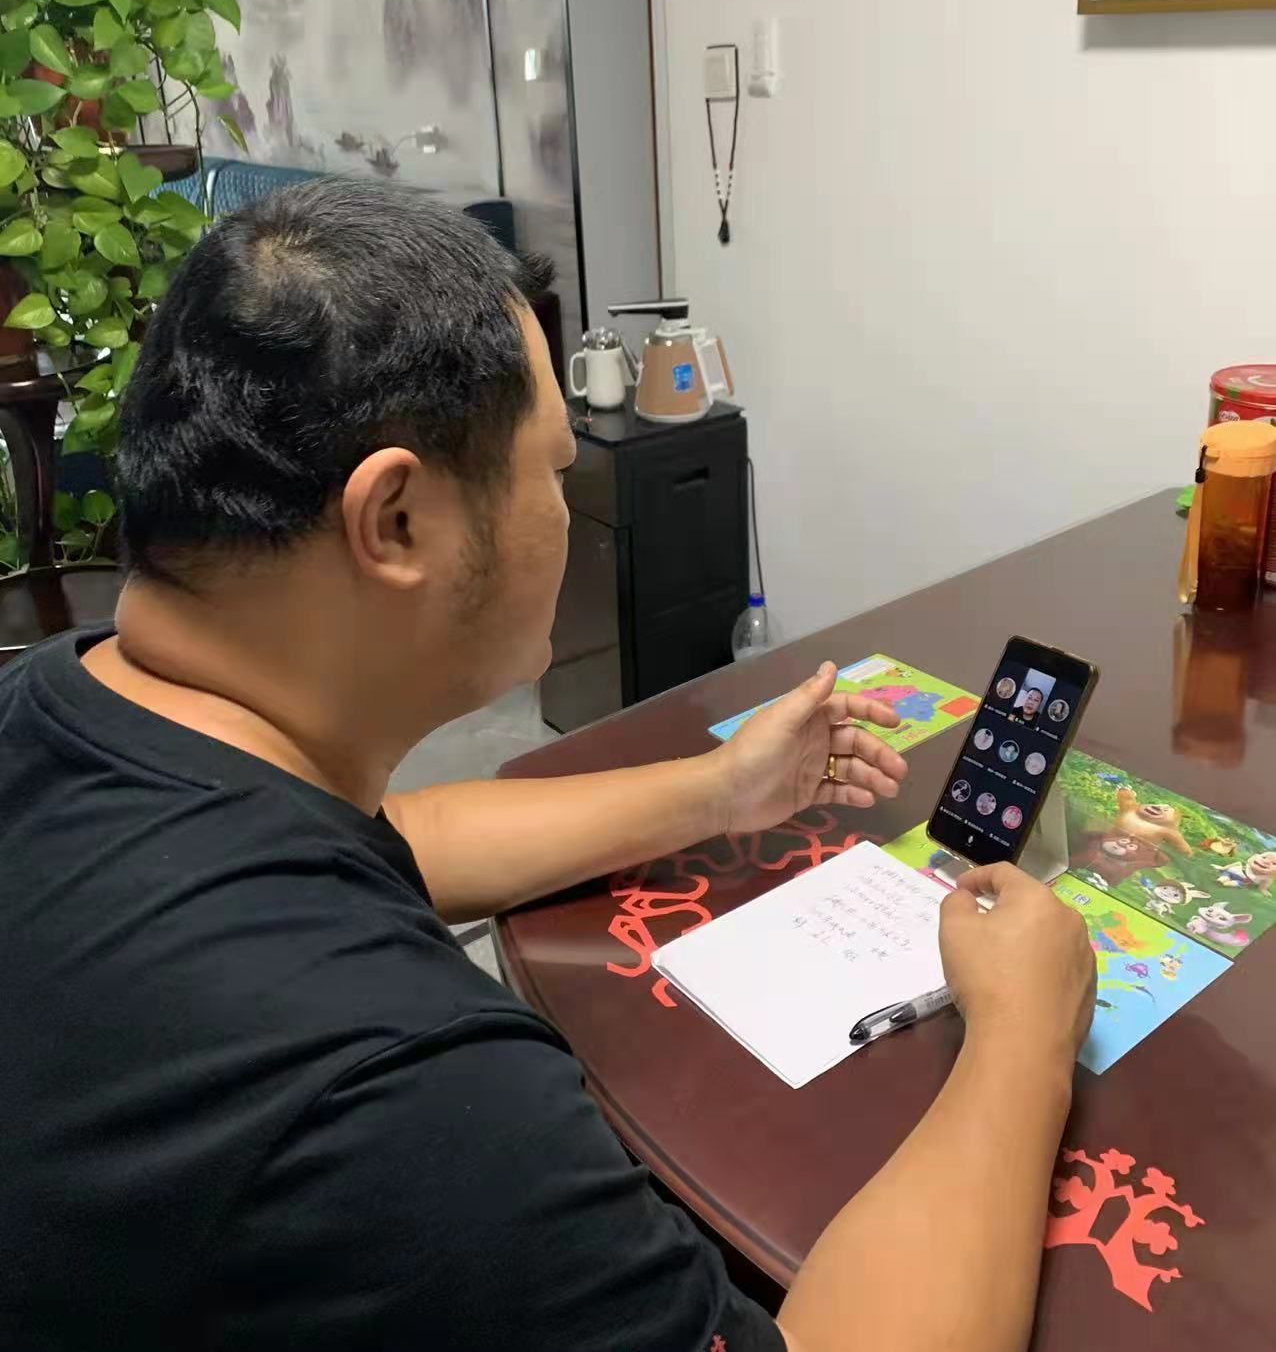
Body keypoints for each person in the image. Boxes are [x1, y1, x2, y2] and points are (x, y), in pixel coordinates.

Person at [0, 183, 1095, 1352]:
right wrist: (1023, 1034)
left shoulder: (69, 703)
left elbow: (391, 844)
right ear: (397, 521)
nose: (568, 513)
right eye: (556, 471)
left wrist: (726, 790)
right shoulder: (408, 1097)